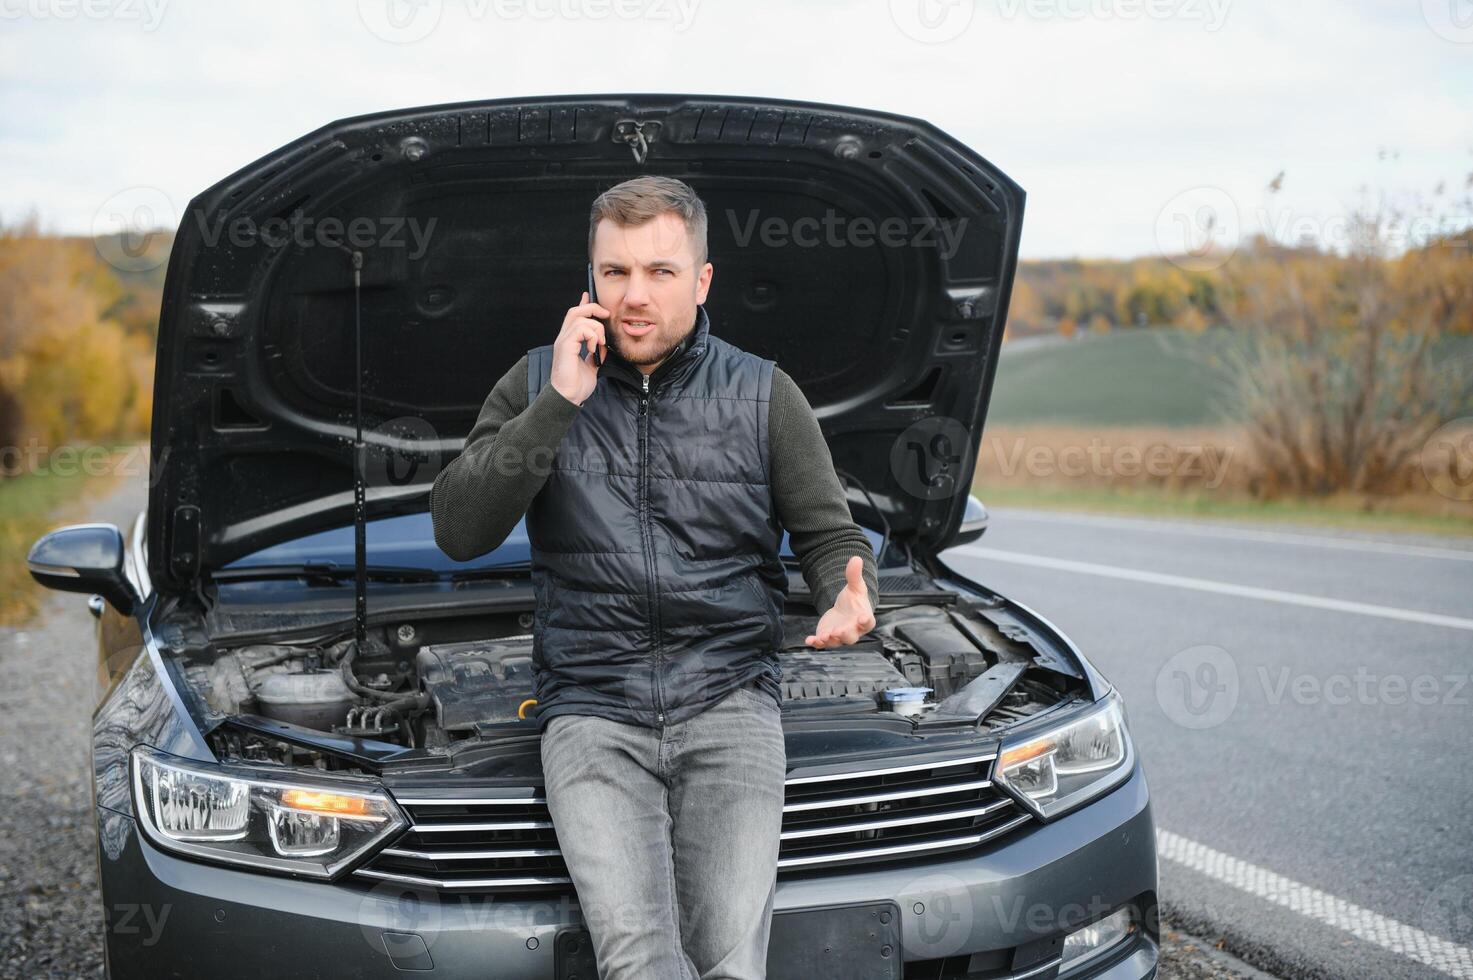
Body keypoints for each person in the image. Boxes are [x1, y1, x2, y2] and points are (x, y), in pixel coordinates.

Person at [429, 175, 878, 979]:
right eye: (615, 272)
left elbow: (826, 534)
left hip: (729, 699)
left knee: (728, 965)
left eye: (660, 272)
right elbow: (460, 531)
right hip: (592, 711)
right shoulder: (536, 383)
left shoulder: (763, 393)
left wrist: (848, 591)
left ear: (701, 281)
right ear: (590, 279)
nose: (634, 295)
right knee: (639, 962)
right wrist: (560, 401)